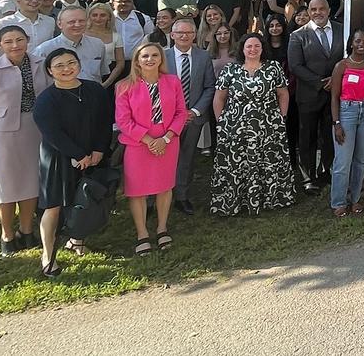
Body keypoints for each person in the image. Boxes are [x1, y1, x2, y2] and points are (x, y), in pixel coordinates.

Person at [32, 47, 113, 277]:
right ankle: (48, 255)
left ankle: (77, 240)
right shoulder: (46, 100)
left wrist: (99, 149)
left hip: (92, 155)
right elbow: (52, 133)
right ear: (50, 70)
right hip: (59, 158)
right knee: (54, 206)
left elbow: (104, 121)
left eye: (71, 63)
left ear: (79, 64)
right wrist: (78, 155)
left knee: (83, 201)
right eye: (59, 65)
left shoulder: (95, 90)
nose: (67, 69)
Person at [0, 25, 49, 255]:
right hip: (4, 133)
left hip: (36, 130)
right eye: (8, 41)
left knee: (31, 182)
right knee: (7, 185)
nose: (15, 45)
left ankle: (26, 231)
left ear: (27, 40)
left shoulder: (40, 63)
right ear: (0, 46)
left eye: (19, 40)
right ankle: (7, 233)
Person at [210, 32, 297, 215]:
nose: (253, 49)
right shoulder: (230, 70)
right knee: (238, 165)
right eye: (249, 46)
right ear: (242, 49)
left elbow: (283, 94)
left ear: (262, 48)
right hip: (235, 127)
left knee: (268, 163)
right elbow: (219, 98)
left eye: (257, 46)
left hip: (268, 126)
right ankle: (237, 201)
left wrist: (281, 117)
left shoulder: (273, 68)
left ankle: (272, 198)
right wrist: (222, 122)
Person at [115, 41, 187, 255]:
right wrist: (149, 141)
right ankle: (142, 233)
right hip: (138, 144)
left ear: (161, 59)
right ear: (137, 60)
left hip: (167, 141)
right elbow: (123, 120)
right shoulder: (124, 86)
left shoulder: (172, 82)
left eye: (155, 55)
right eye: (145, 56)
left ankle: (162, 228)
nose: (150, 59)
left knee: (164, 187)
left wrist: (165, 138)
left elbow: (181, 112)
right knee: (137, 191)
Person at [287, 0, 341, 193]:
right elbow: (295, 66)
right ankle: (308, 177)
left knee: (329, 135)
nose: (318, 13)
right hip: (309, 95)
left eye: (321, 9)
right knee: (307, 137)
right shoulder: (298, 35)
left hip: (334, 95)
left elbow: (346, 57)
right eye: (313, 9)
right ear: (308, 12)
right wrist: (320, 83)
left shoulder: (341, 29)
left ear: (328, 9)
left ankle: (326, 171)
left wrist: (335, 80)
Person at [164, 18, 216, 213]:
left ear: (195, 35)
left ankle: (182, 196)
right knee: (163, 158)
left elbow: (210, 86)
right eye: (180, 33)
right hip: (167, 119)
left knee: (186, 157)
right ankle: (157, 198)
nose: (184, 36)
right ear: (173, 35)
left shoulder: (203, 57)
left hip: (193, 118)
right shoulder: (162, 56)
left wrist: (194, 111)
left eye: (188, 33)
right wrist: (174, 113)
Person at [329, 29, 364, 216]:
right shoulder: (341, 66)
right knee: (343, 161)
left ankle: (356, 199)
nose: (362, 45)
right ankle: (338, 202)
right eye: (358, 41)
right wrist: (337, 123)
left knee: (361, 161)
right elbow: (334, 97)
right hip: (346, 113)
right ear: (351, 43)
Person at [85, 3, 127, 86]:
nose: (98, 18)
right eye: (94, 15)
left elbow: (120, 63)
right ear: (89, 16)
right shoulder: (81, 34)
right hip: (85, 75)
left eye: (103, 15)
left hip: (109, 76)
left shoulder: (116, 37)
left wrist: (107, 83)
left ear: (109, 17)